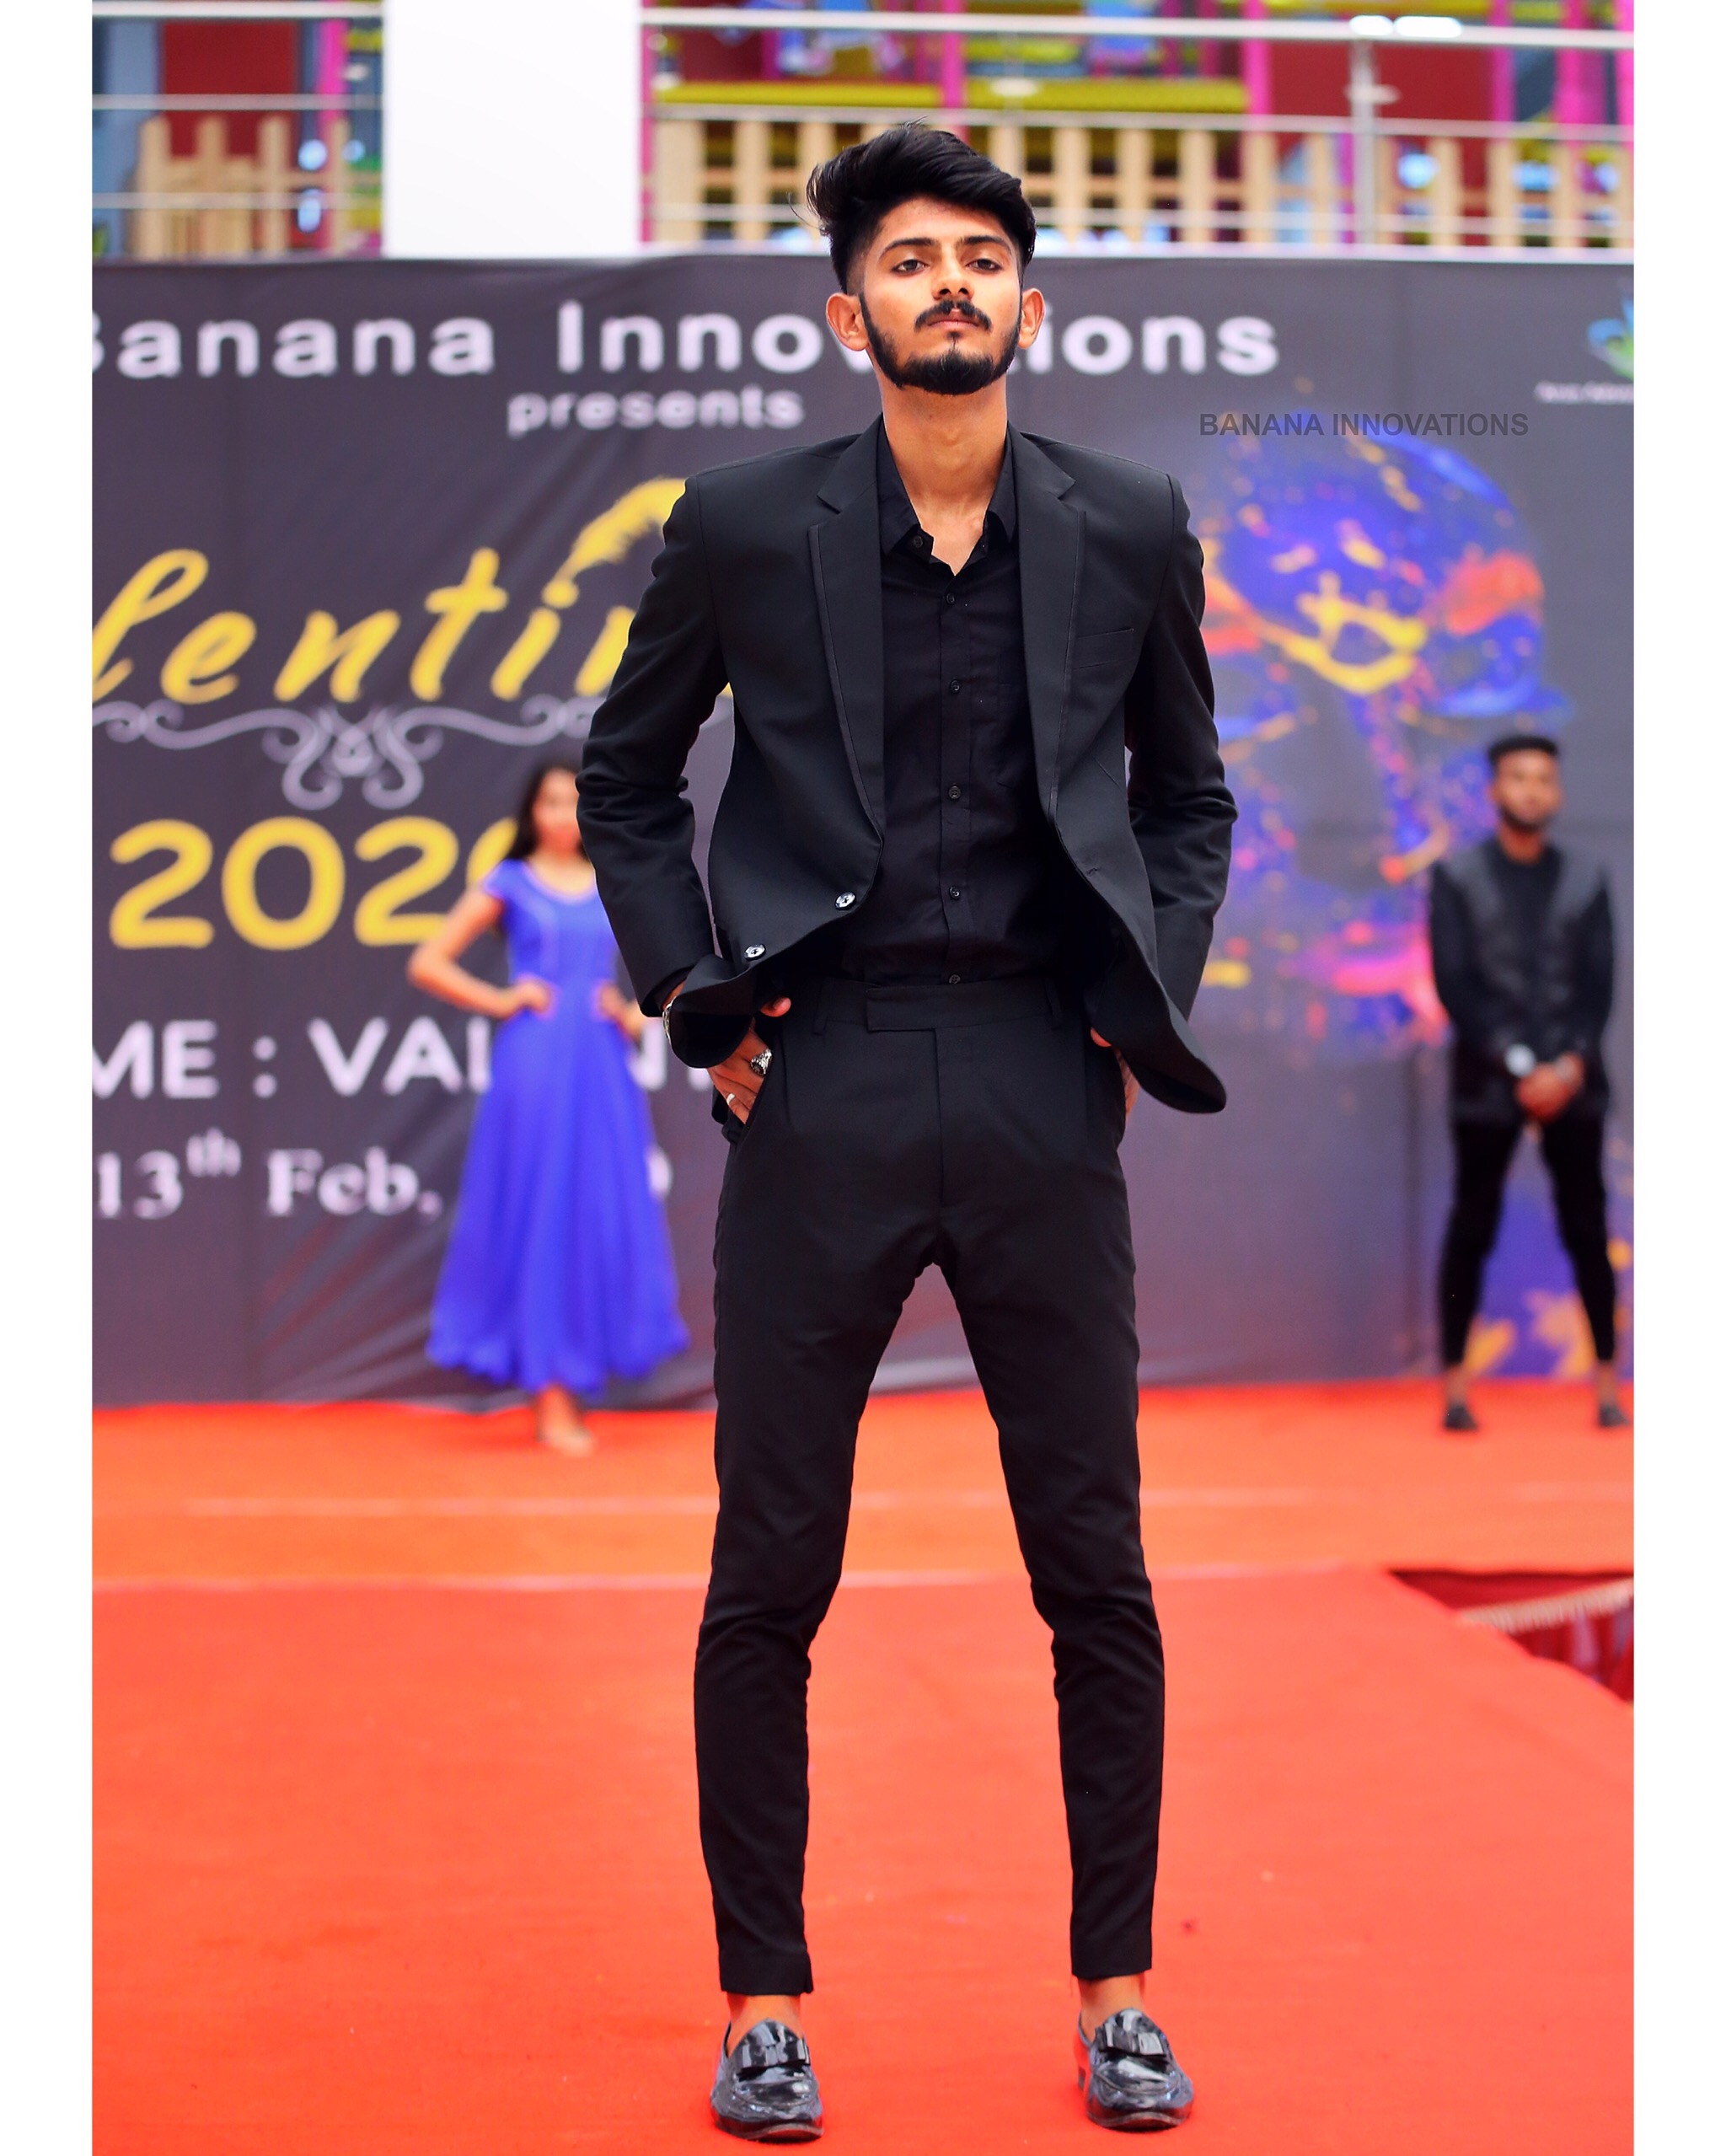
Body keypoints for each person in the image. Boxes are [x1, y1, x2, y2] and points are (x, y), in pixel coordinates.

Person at [580, 126, 1234, 2139]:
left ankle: (1117, 1990)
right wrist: (698, 1001)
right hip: (824, 1076)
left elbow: (1188, 798)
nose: (947, 279)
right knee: (768, 1565)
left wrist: (1135, 998)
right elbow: (625, 778)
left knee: (1094, 1563)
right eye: (906, 257)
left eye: (979, 254)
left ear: (1028, 300)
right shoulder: (739, 524)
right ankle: (761, 1998)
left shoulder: (1128, 522)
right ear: (845, 312)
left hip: (1041, 1073)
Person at [407, 759, 689, 1455]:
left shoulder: (612, 881)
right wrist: (504, 999)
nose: (564, 814)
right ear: (531, 811)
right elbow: (429, 961)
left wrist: (636, 1013)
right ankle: (550, 1393)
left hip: (600, 1068)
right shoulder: (510, 883)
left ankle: (578, 1376)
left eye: (575, 801)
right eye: (551, 801)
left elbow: (677, 963)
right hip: (534, 1067)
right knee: (540, 1217)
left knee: (595, 1215)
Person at [1429, 733, 1625, 1434]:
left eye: (1544, 779)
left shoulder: (1587, 879)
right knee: (1471, 1229)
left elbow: (1600, 986)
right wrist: (1518, 1064)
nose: (1532, 791)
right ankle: (1456, 1387)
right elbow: (1455, 983)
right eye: (1518, 778)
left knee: (1587, 1228)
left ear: (1558, 792)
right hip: (1489, 1083)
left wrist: (1568, 1065)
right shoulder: (1457, 878)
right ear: (1494, 789)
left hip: (1574, 1081)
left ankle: (1608, 1386)